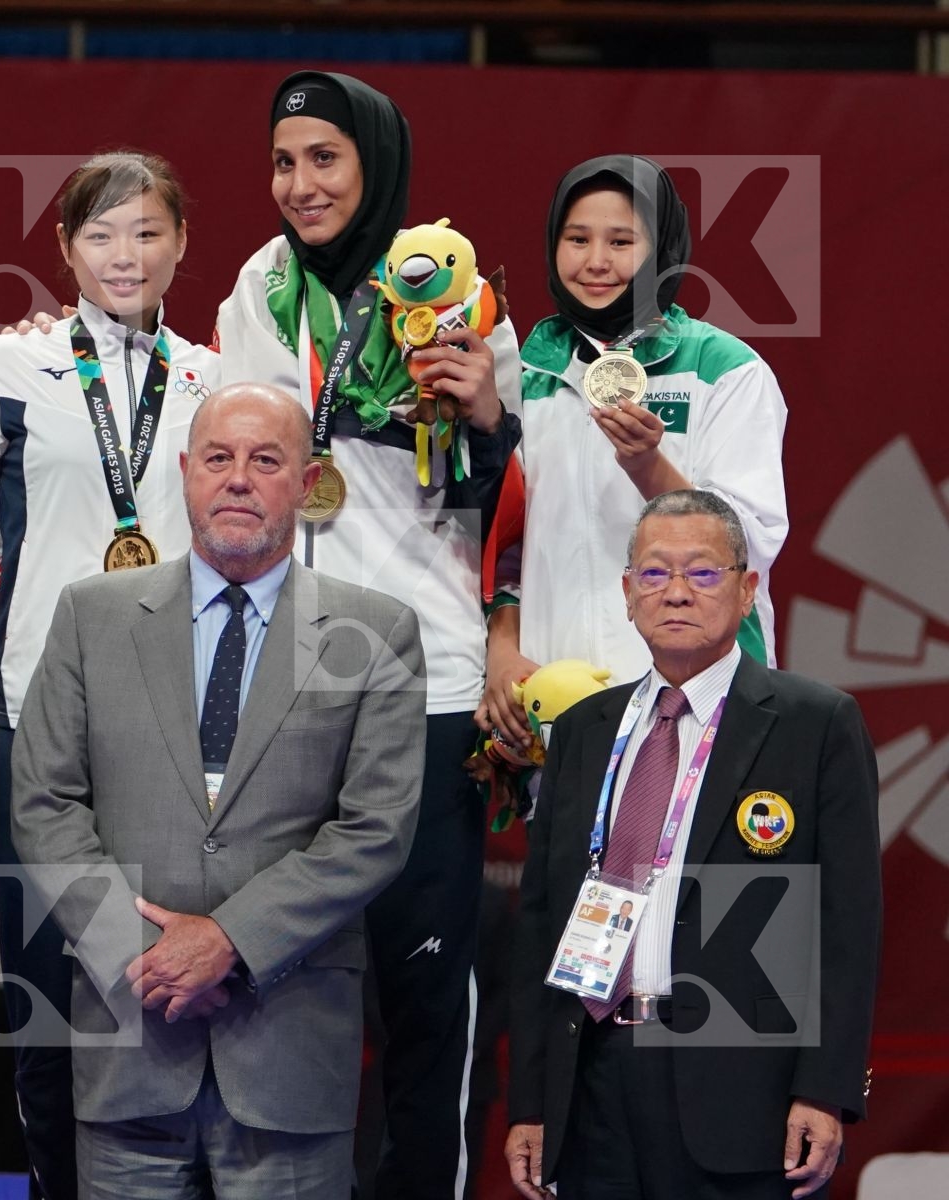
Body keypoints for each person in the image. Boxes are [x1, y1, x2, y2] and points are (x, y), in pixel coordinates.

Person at [212, 69, 521, 1200]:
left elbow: (516, 499)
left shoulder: (452, 294)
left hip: (423, 682)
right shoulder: (257, 289)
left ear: (377, 163)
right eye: (285, 161)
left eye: (325, 159)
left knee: (424, 990)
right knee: (274, 988)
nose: (300, 184)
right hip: (280, 684)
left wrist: (487, 416)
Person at [11, 382, 426, 1199]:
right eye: (218, 458)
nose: (238, 478)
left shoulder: (376, 630)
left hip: (289, 1057)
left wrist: (229, 941)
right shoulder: (89, 615)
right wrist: (143, 960)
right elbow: (43, 804)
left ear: (307, 485)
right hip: (128, 1043)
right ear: (185, 474)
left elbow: (375, 828)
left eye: (266, 460)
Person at [0, 149, 219, 1200]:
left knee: (162, 980)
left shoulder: (211, 375)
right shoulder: (5, 368)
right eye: (102, 233)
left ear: (182, 245)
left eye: (149, 231)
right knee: (41, 989)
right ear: (64, 249)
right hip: (35, 714)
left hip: (184, 719)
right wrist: (36, 579)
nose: (127, 253)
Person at [506, 490, 880, 1200]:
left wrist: (825, 1090)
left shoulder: (813, 723)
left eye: (703, 574)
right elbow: (541, 925)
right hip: (592, 1085)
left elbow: (848, 927)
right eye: (654, 574)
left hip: (744, 1092)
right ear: (626, 593)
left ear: (747, 590)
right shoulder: (587, 729)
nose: (676, 592)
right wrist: (531, 1099)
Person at [481, 155, 789, 754]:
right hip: (558, 698)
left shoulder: (726, 371)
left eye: (621, 241)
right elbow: (505, 538)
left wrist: (650, 467)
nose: (596, 262)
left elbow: (749, 546)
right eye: (577, 239)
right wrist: (500, 645)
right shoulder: (525, 373)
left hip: (701, 697)